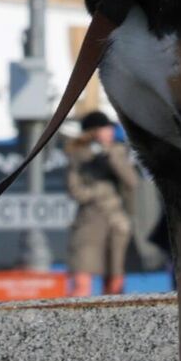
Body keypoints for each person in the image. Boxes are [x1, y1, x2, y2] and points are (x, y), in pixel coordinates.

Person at [65, 112, 141, 294]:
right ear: (93, 131)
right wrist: (99, 191)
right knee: (81, 278)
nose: (110, 132)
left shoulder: (118, 151)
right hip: (89, 222)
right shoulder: (78, 154)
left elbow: (132, 181)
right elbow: (75, 190)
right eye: (105, 128)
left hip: (117, 221)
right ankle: (75, 319)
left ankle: (113, 320)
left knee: (115, 280)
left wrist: (111, 155)